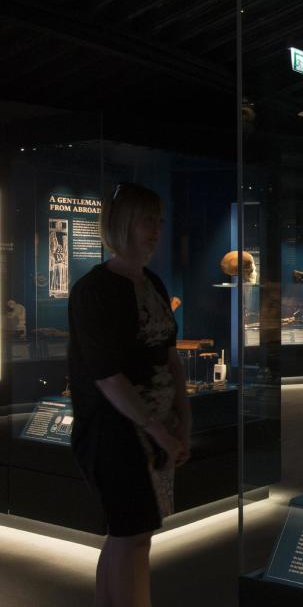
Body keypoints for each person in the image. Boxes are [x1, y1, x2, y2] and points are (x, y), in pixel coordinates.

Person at [68, 182, 190, 607]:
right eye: (145, 220)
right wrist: (159, 430)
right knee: (132, 537)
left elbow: (170, 358)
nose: (155, 230)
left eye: (158, 220)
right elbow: (107, 377)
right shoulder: (94, 289)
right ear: (123, 224)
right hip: (116, 432)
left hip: (154, 429)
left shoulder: (152, 281)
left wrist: (182, 421)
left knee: (129, 537)